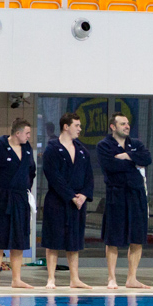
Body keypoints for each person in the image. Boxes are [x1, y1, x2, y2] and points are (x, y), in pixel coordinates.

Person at [96, 112, 153, 290]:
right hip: (116, 195)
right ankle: (111, 278)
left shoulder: (135, 144)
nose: (127, 126)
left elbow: (147, 159)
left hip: (136, 195)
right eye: (122, 124)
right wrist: (134, 163)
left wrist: (128, 156)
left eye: (127, 123)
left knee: (137, 237)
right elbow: (111, 166)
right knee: (113, 238)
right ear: (113, 127)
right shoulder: (104, 146)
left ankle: (132, 278)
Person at [40, 111, 93, 289]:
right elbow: (54, 177)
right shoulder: (52, 149)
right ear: (66, 126)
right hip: (57, 200)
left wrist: (84, 195)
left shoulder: (82, 150)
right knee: (53, 240)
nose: (79, 128)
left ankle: (74, 279)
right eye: (76, 125)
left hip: (78, 202)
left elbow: (89, 177)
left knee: (74, 242)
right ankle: (51, 278)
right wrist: (71, 196)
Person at [0, 117, 36, 289]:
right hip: (2, 197)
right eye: (27, 133)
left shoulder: (27, 149)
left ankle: (16, 279)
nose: (29, 136)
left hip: (20, 198)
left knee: (19, 239)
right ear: (18, 133)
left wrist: (26, 189)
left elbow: (32, 171)